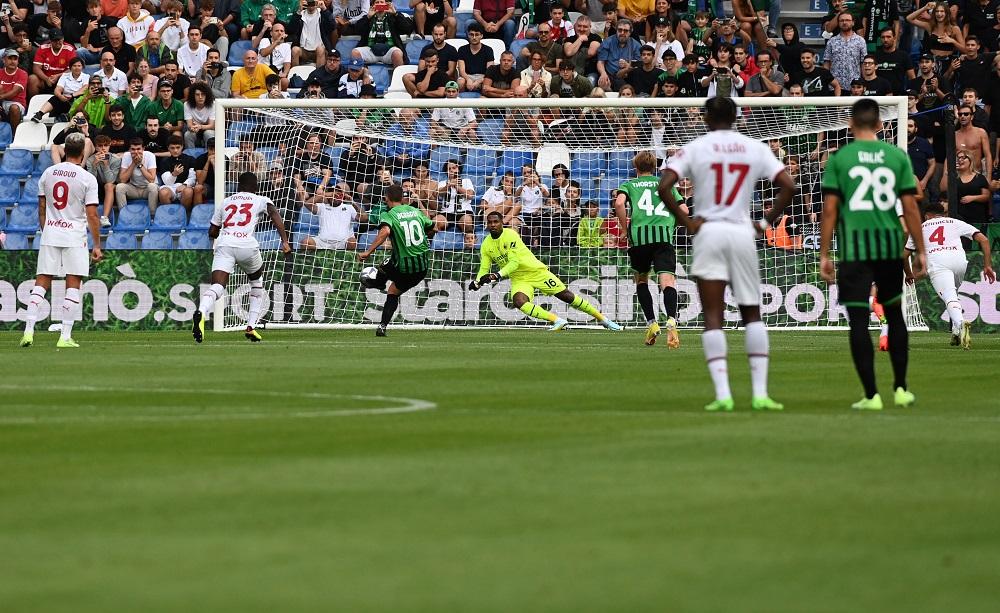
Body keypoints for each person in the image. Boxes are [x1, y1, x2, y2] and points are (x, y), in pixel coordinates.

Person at [658, 96, 796, 412]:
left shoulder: (696, 147)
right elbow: (788, 185)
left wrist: (688, 222)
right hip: (741, 230)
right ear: (736, 117)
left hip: (709, 232)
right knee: (752, 313)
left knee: (713, 316)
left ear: (706, 118)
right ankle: (760, 394)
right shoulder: (754, 147)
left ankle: (723, 395)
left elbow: (664, 186)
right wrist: (763, 223)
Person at [819, 97, 927, 411]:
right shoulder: (896, 157)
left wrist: (825, 254)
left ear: (850, 125)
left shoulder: (840, 158)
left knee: (857, 323)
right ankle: (902, 389)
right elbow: (909, 207)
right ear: (880, 125)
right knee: (895, 316)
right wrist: (920, 250)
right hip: (890, 248)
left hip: (855, 250)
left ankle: (871, 396)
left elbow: (829, 211)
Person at [470, 211, 623, 331]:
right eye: (489, 222)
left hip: (536, 272)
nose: (493, 225)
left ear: (502, 223)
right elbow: (484, 267)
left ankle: (604, 320)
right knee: (519, 302)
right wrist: (477, 282)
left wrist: (497, 275)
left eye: (496, 222)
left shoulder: (510, 235)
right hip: (519, 279)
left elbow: (514, 262)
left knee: (567, 296)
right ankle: (557, 320)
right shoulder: (486, 245)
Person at [19, 133, 101, 349]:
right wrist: (98, 244)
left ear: (65, 151)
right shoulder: (86, 178)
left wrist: (48, 230)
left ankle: (28, 331)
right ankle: (64, 336)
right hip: (74, 235)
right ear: (83, 152)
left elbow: (42, 208)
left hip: (51, 232)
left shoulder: (48, 173)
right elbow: (92, 214)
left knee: (41, 282)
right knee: (73, 285)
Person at [193, 171, 292, 343]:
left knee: (217, 286)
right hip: (247, 246)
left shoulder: (225, 202)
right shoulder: (260, 199)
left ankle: (201, 310)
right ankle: (251, 327)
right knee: (256, 282)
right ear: (255, 187)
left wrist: (220, 232)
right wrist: (284, 241)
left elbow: (212, 231)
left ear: (238, 186)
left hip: (225, 245)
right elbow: (275, 215)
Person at [614, 150, 686, 348]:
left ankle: (652, 323)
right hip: (663, 238)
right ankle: (671, 319)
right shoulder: (666, 184)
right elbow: (685, 210)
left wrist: (623, 228)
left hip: (639, 239)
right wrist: (671, 223)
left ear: (635, 167)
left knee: (641, 280)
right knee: (668, 281)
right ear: (655, 167)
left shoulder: (628, 184)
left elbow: (619, 203)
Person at [904, 200, 995, 349]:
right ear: (943, 213)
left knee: (950, 297)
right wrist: (988, 265)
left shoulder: (920, 228)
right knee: (953, 295)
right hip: (959, 260)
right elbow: (984, 240)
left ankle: (960, 324)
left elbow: (905, 254)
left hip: (938, 262)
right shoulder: (954, 222)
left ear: (926, 216)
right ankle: (955, 332)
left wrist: (908, 274)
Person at [356, 183, 437, 337]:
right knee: (393, 290)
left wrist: (368, 251)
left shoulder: (389, 214)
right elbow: (433, 227)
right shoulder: (415, 211)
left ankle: (377, 285)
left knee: (385, 266)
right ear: (402, 198)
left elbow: (385, 230)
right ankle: (382, 325)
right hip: (421, 268)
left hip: (404, 267)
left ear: (386, 198)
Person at [116, 136, 159, 214]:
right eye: (133, 149)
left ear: (143, 149)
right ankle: (124, 215)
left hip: (147, 188)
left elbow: (151, 179)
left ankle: (152, 215)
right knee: (119, 187)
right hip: (134, 188)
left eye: (138, 149)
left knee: (152, 186)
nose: (136, 152)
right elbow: (122, 179)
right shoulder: (126, 155)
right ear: (129, 149)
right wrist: (133, 163)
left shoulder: (150, 156)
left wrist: (140, 164)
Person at [86, 134, 122, 226]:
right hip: (97, 188)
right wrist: (94, 165)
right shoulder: (90, 160)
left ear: (109, 146)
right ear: (96, 147)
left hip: (112, 188)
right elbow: (90, 181)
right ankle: (86, 217)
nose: (103, 148)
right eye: (100, 146)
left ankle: (105, 218)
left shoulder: (115, 160)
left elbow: (111, 180)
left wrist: (106, 165)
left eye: (106, 145)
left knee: (108, 185)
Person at [0, 48, 27, 131]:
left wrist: (1, 95)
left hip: (17, 103)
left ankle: (14, 136)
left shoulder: (22, 73)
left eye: (15, 59)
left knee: (14, 108)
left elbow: (14, 93)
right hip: (2, 102)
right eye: (10, 58)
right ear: (3, 60)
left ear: (18, 61)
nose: (13, 61)